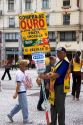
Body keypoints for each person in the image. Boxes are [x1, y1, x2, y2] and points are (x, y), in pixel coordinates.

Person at [39, 47, 69, 125]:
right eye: (57, 52)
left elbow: (57, 75)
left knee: (60, 108)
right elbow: (52, 72)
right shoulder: (58, 62)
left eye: (60, 52)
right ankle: (53, 123)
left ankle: (61, 123)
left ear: (64, 53)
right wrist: (44, 76)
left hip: (60, 87)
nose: (58, 54)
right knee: (53, 106)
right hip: (54, 87)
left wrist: (45, 76)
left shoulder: (65, 62)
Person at [7, 60, 32, 124]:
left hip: (23, 90)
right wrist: (15, 93)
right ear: (21, 66)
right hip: (21, 91)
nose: (27, 67)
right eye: (26, 66)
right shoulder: (19, 73)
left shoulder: (22, 72)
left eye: (27, 66)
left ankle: (10, 114)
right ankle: (25, 119)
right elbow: (18, 84)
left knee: (20, 105)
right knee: (24, 105)